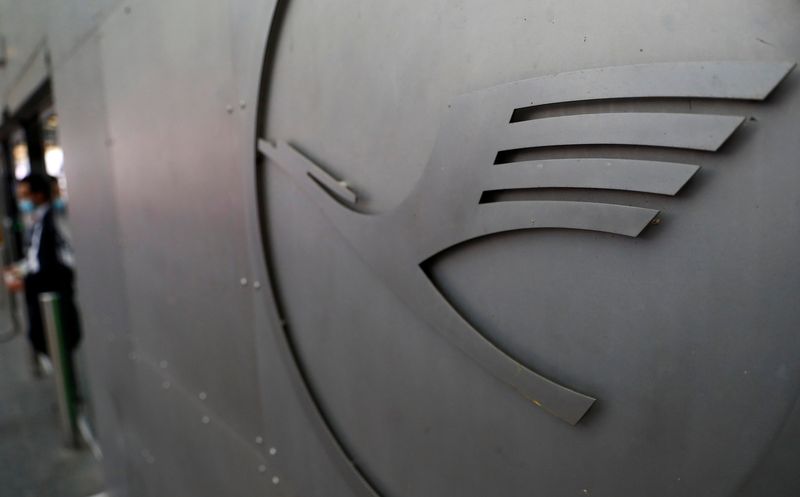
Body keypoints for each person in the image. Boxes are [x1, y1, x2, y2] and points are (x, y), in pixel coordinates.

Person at [4, 173, 81, 384]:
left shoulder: (54, 221)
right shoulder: (37, 220)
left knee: (60, 343)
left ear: (38, 195)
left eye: (25, 195)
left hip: (53, 294)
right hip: (40, 291)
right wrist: (21, 269)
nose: (23, 200)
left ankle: (71, 399)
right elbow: (35, 255)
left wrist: (26, 282)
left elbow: (58, 265)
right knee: (49, 342)